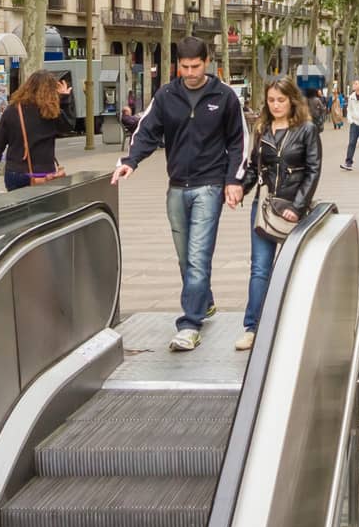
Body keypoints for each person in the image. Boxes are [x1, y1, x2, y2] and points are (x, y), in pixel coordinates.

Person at [112, 37, 247, 352]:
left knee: (199, 257)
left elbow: (239, 141)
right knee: (186, 257)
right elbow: (146, 131)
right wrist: (130, 161)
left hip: (210, 186)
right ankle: (205, 301)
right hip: (177, 187)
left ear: (207, 61)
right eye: (184, 67)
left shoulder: (224, 97)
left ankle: (189, 325)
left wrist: (233, 180)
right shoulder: (167, 95)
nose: (190, 72)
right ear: (177, 66)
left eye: (195, 66)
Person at [238, 78, 321, 351]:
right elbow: (253, 167)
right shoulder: (262, 129)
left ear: (292, 100)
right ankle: (253, 327)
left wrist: (297, 207)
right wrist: (240, 188)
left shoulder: (307, 130)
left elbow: (312, 170)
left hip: (292, 208)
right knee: (260, 268)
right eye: (271, 100)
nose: (275, 105)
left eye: (281, 100)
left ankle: (293, 323)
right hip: (264, 206)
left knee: (294, 268)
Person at [0, 71, 76, 190]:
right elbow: (68, 126)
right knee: (44, 208)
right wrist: (64, 99)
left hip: (16, 172)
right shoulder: (51, 112)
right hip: (43, 173)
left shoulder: (12, 110)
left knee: (18, 208)